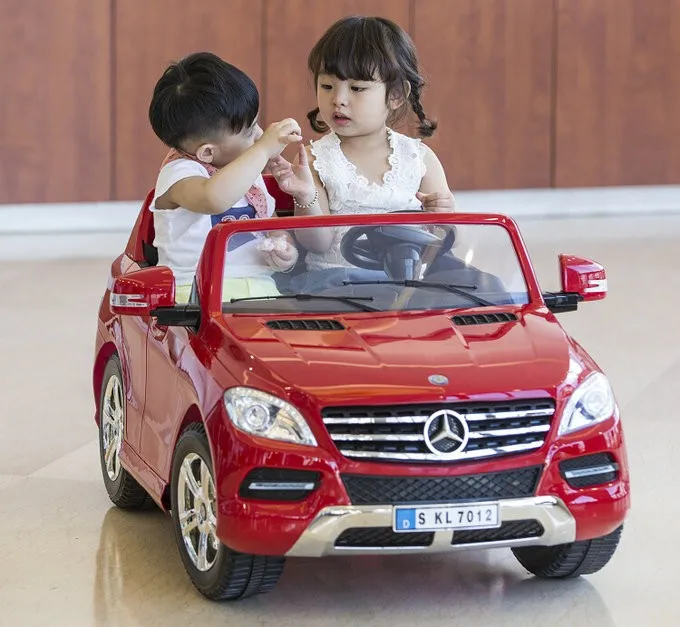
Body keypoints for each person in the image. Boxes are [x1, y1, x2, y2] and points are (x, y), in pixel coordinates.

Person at [269, 15, 456, 280]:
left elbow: (447, 241)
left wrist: (444, 216)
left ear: (395, 95)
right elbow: (317, 243)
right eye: (327, 86)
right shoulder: (314, 158)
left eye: (357, 88)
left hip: (408, 286)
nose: (339, 100)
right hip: (337, 285)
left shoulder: (418, 158)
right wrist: (304, 196)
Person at [148, 51, 301, 303]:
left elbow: (270, 223)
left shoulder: (246, 171)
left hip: (260, 288)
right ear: (207, 152)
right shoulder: (178, 173)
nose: (260, 134)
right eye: (251, 131)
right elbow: (213, 198)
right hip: (196, 296)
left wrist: (284, 249)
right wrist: (261, 150)